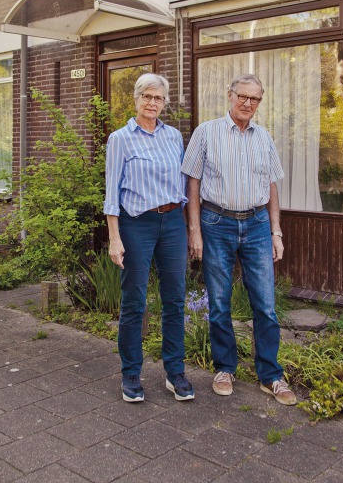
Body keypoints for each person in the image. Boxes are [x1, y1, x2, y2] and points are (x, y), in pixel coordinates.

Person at [182, 73, 297, 406]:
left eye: (255, 99)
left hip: (258, 224)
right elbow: (192, 184)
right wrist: (195, 231)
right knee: (220, 302)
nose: (248, 104)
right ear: (229, 95)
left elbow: (272, 186)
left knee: (265, 304)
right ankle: (224, 368)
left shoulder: (264, 137)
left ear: (260, 102)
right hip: (216, 222)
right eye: (242, 97)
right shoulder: (206, 132)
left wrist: (276, 231)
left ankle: (271, 375)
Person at [104, 73, 192, 403]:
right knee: (134, 301)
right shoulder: (121, 139)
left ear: (164, 103)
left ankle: (175, 372)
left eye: (158, 98)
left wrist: (186, 226)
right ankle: (130, 374)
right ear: (136, 99)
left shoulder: (173, 137)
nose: (152, 103)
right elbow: (111, 192)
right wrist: (115, 237)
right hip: (136, 225)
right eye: (147, 97)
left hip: (172, 223)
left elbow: (181, 183)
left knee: (174, 299)